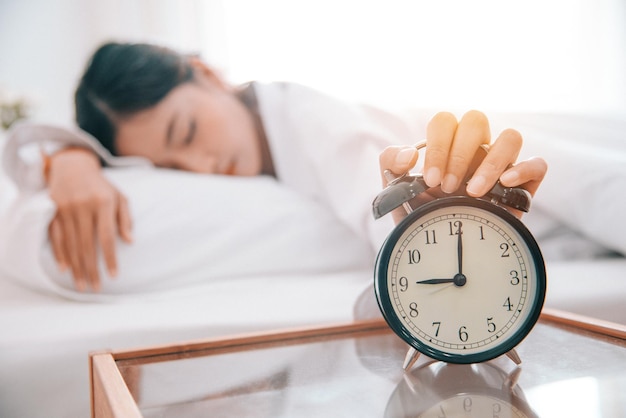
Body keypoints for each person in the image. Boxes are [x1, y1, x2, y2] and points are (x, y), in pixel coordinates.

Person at [5, 42, 547, 293]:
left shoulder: (305, 116)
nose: (202, 168)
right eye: (170, 167)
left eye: (187, 132)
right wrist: (68, 160)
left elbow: (370, 184)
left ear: (206, 73)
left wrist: (426, 207)